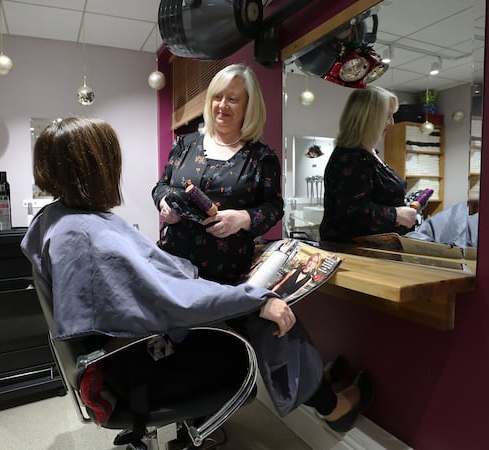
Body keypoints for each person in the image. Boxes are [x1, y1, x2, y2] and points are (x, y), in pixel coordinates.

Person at [22, 116, 372, 436]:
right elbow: (172, 300)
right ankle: (330, 405)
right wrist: (257, 299)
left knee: (255, 309)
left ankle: (312, 383)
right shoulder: (87, 234)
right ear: (95, 168)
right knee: (270, 319)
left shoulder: (56, 220)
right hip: (138, 369)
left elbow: (154, 285)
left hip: (124, 357)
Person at [152, 63, 284, 285]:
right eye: (217, 97)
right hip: (171, 267)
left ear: (248, 107)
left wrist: (243, 218)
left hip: (224, 275)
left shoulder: (261, 158)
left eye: (232, 99)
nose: (222, 105)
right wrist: (164, 203)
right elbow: (161, 186)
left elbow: (273, 208)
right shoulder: (185, 145)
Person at [319, 86, 418, 243]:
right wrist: (397, 214)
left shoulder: (367, 154)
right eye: (387, 117)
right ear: (369, 119)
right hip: (357, 255)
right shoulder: (351, 157)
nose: (391, 123)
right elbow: (352, 212)